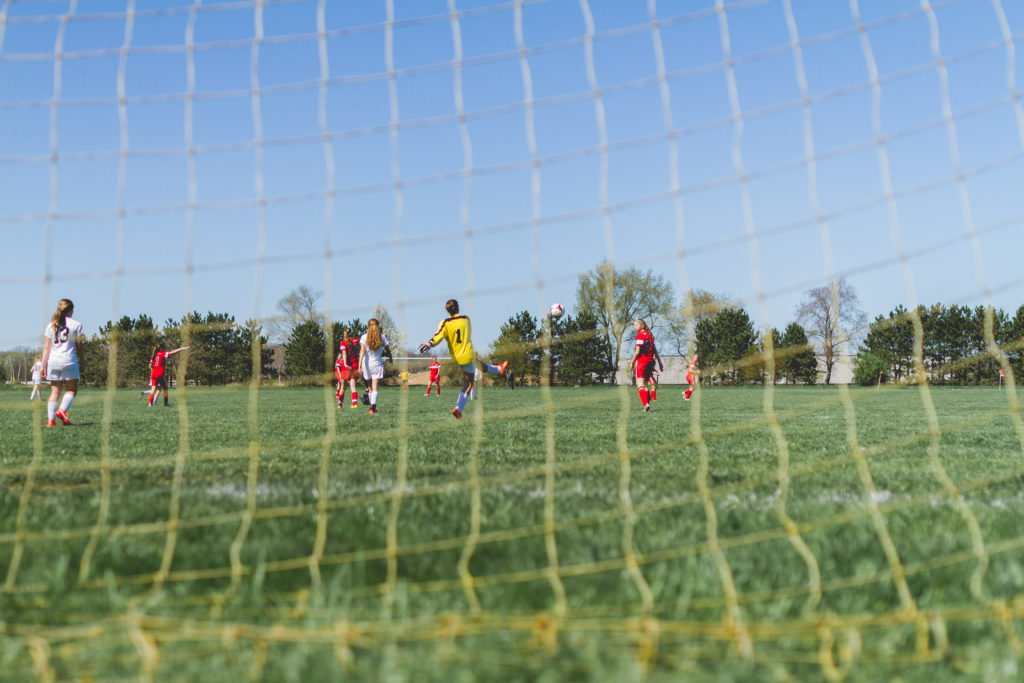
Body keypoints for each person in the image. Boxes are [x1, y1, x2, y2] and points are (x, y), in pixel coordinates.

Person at [418, 298, 507, 419]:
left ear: (447, 311)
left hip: (457, 359)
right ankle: (458, 409)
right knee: (469, 384)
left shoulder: (445, 323)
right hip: (468, 355)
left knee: (478, 364)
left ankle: (498, 369)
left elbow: (438, 336)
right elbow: (468, 333)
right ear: (458, 307)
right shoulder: (466, 319)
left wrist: (429, 344)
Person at [40, 298, 83, 427]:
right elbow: (79, 347)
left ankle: (50, 421)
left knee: (55, 392)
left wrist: (43, 365)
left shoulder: (51, 325)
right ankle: (62, 411)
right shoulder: (76, 325)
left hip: (53, 361)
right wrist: (83, 361)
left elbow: (47, 348)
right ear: (70, 310)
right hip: (69, 360)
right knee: (71, 390)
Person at [627, 318, 663, 413]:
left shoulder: (640, 336)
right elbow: (655, 351)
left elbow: (637, 351)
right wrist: (660, 363)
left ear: (642, 326)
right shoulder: (649, 336)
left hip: (642, 363)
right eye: (634, 325)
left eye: (636, 325)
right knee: (646, 385)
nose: (635, 327)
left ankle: (646, 404)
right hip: (650, 363)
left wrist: (632, 362)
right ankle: (647, 405)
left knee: (640, 385)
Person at [358, 318, 392, 415]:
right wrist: (391, 360)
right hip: (377, 365)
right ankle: (373, 408)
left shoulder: (364, 337)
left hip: (367, 365)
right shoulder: (382, 337)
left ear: (368, 326)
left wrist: (359, 364)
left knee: (369, 388)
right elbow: (388, 350)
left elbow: (362, 351)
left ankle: (371, 407)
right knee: (375, 388)